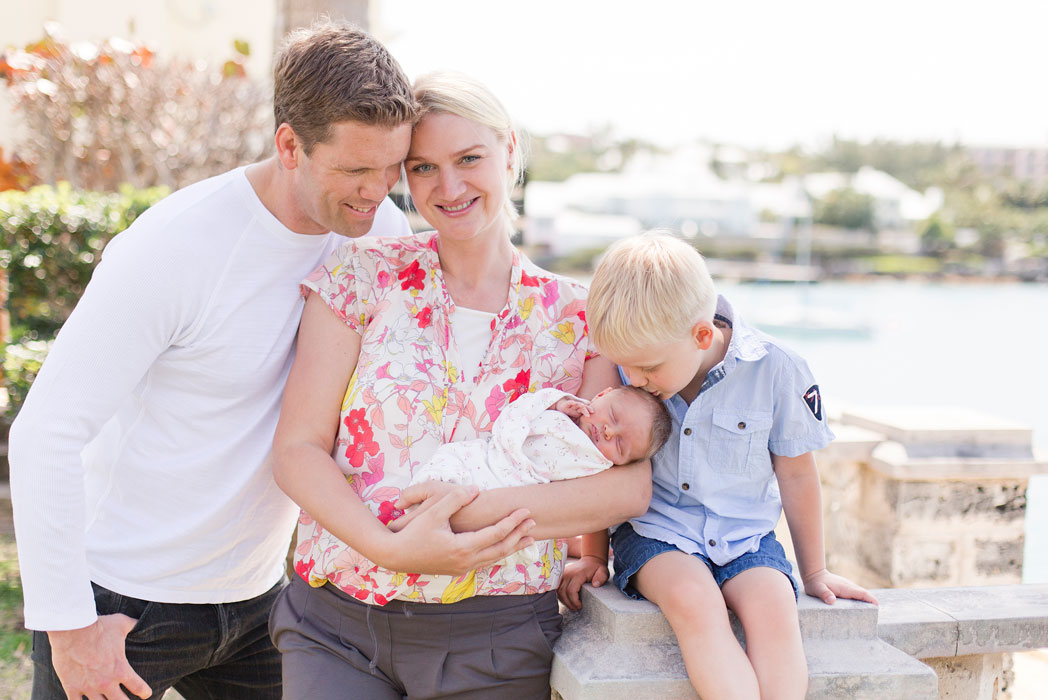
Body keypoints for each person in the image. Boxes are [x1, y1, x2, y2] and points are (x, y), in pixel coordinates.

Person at [9, 22, 532, 700]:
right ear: (290, 145)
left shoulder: (377, 234)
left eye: (390, 169)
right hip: (123, 601)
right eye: (354, 170)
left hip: (260, 601)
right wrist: (69, 627)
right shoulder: (174, 245)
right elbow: (45, 432)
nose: (378, 194)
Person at [269, 71, 652, 700]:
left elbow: (624, 484)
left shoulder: (579, 317)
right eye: (422, 168)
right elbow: (297, 450)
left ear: (508, 151)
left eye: (469, 159)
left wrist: (463, 520)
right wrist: (394, 549)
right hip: (337, 627)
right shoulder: (360, 277)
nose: (448, 187)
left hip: (497, 637)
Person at [558, 233, 878, 700]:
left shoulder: (778, 369)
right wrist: (591, 554)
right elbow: (601, 467)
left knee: (774, 609)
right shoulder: (631, 363)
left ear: (702, 335)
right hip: (658, 535)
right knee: (695, 601)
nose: (637, 380)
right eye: (629, 368)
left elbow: (796, 475)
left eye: (647, 369)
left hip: (746, 536)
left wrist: (814, 573)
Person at [407, 385, 671, 598]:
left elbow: (594, 510)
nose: (609, 430)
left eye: (621, 444)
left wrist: (593, 556)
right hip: (490, 458)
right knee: (451, 462)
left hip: (517, 488)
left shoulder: (597, 463)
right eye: (612, 416)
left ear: (622, 463)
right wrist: (555, 403)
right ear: (602, 395)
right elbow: (522, 409)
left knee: (510, 542)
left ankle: (434, 524)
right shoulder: (565, 409)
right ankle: (421, 505)